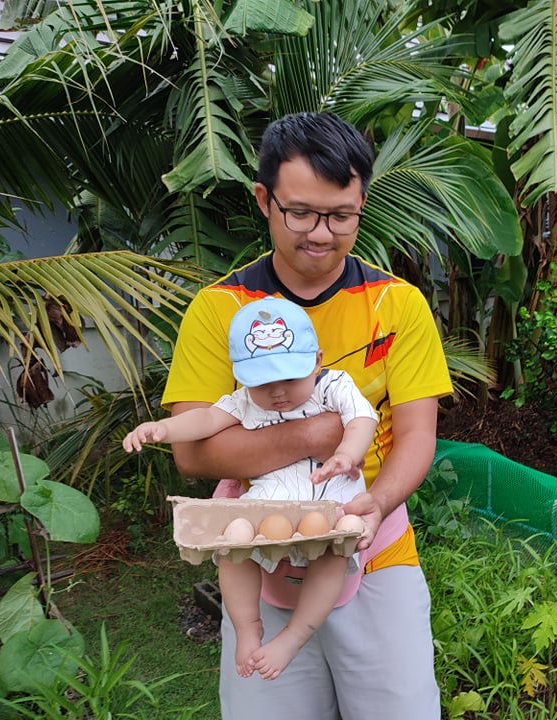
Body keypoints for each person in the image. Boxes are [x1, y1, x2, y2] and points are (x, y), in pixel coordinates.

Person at [160, 111, 451, 720]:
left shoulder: (397, 304)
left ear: (362, 203)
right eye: (300, 213)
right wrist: (320, 433)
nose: (321, 233)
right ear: (264, 200)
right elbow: (194, 453)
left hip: (375, 550)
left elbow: (417, 436)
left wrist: (377, 503)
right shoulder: (219, 309)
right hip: (258, 553)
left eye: (341, 215)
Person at [124, 296, 377, 681]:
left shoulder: (333, 386)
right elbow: (206, 419)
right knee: (233, 546)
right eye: (262, 382)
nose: (277, 392)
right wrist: (163, 429)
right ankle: (247, 627)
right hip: (268, 503)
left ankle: (293, 636)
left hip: (331, 503)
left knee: (332, 557)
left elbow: (361, 418)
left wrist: (346, 453)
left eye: (289, 378)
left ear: (316, 361)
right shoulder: (245, 401)